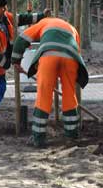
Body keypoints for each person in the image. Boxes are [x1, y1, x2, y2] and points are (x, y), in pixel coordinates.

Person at [0, 0, 50, 131]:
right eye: (2, 8)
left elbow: (22, 18)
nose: (5, 9)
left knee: (0, 89)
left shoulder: (5, 17)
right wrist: (5, 62)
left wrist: (42, 16)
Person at [11, 17, 89, 148]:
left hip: (48, 57)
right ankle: (72, 134)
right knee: (69, 94)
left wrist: (16, 61)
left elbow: (21, 40)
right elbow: (77, 50)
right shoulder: (72, 29)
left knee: (44, 95)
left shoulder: (43, 23)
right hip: (70, 58)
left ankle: (38, 138)